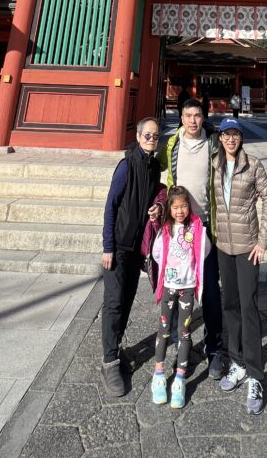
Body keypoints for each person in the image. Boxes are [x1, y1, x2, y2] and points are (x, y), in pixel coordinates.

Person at [157, 98, 225, 378]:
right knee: (173, 289)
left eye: (197, 115)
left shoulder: (214, 143)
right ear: (180, 117)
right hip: (178, 226)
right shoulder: (171, 144)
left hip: (205, 224)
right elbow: (154, 166)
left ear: (203, 118)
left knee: (209, 289)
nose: (193, 121)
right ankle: (175, 345)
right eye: (188, 115)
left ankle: (214, 348)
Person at [213, 116, 267, 416]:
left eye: (235, 134)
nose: (230, 139)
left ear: (241, 138)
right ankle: (236, 363)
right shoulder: (214, 165)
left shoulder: (253, 166)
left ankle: (255, 375)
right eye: (226, 135)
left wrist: (262, 241)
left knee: (249, 308)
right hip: (224, 246)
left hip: (248, 248)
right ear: (220, 138)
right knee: (231, 306)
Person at [100, 117, 162, 396]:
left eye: (155, 136)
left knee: (125, 301)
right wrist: (107, 246)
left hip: (138, 247)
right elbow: (111, 206)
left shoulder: (153, 167)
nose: (151, 139)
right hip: (119, 246)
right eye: (147, 135)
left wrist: (157, 209)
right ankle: (110, 361)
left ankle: (116, 347)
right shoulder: (126, 166)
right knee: (113, 302)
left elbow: (156, 195)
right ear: (138, 137)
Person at [151, 185, 211, 409]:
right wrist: (169, 270)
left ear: (189, 207)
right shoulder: (166, 228)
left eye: (184, 206)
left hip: (187, 287)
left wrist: (190, 268)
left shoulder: (195, 227)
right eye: (175, 207)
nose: (180, 211)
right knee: (164, 329)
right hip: (168, 286)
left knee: (184, 331)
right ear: (169, 207)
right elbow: (157, 252)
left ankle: (180, 378)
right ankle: (158, 374)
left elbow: (205, 250)